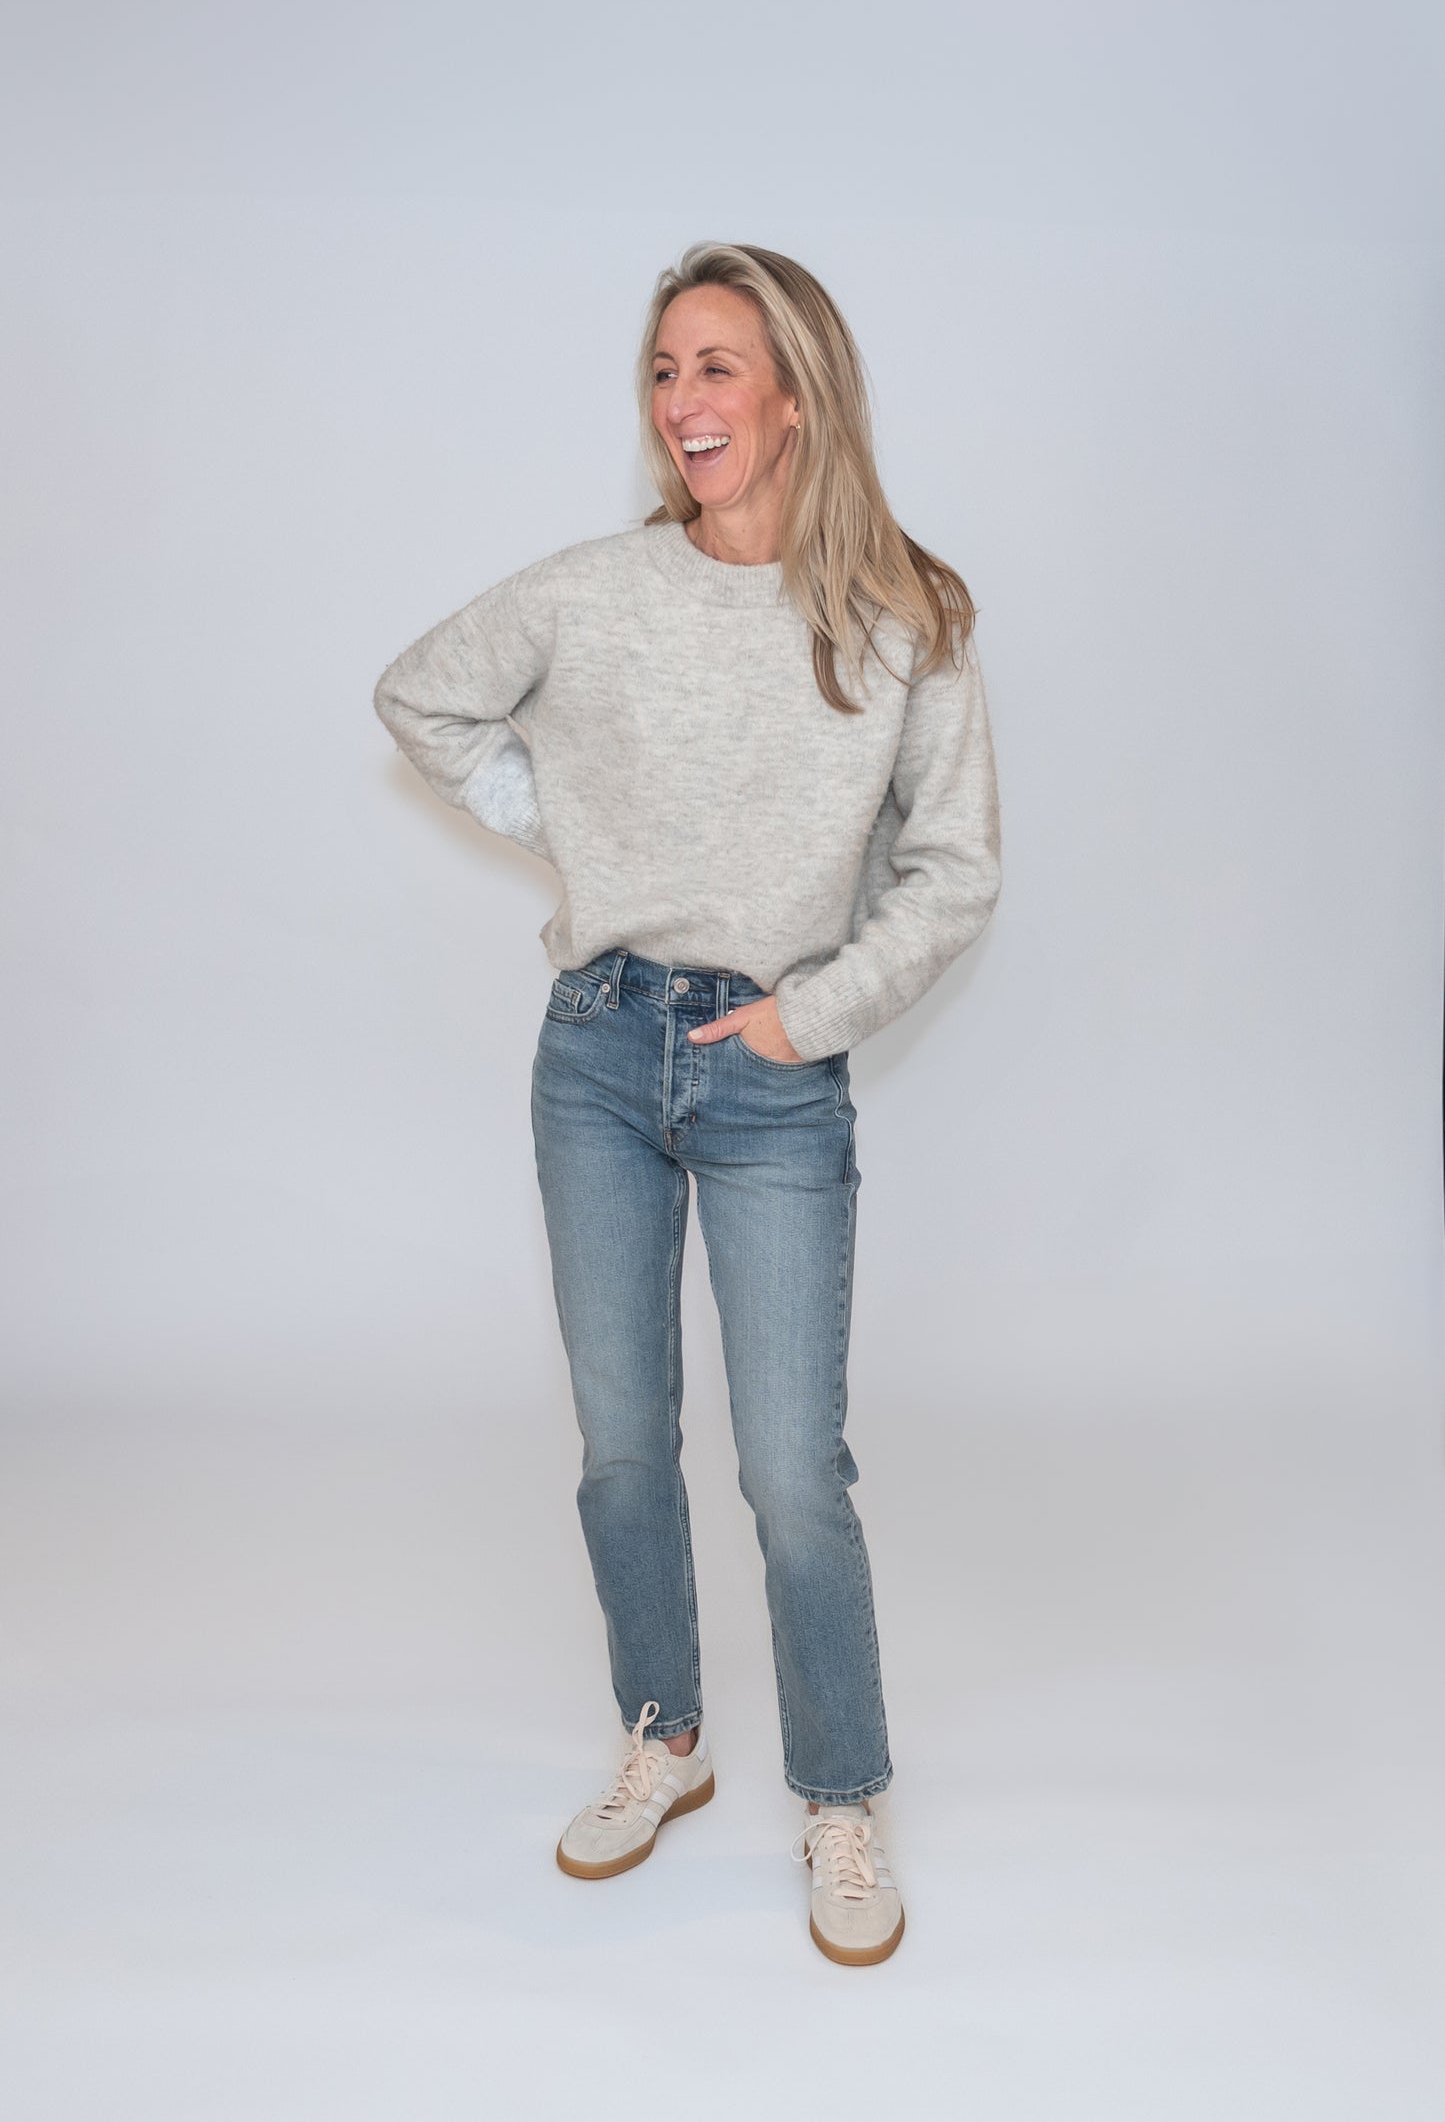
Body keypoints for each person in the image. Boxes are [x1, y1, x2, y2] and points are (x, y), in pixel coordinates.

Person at [373, 241, 1001, 1968]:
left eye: (716, 367)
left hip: (771, 1074)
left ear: (793, 393)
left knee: (795, 1468)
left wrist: (812, 1014)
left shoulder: (904, 617)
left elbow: (952, 875)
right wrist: (572, 832)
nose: (683, 403)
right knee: (624, 1445)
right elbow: (418, 695)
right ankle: (665, 1734)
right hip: (594, 1049)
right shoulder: (592, 589)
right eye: (662, 372)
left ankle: (840, 1794)